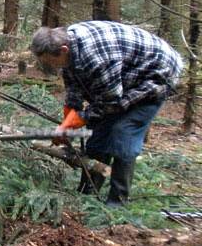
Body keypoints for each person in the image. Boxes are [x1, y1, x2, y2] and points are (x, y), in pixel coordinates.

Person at [30, 21, 184, 207]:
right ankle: (87, 195)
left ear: (63, 50)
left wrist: (79, 120)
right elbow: (73, 84)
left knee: (123, 132)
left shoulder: (96, 58)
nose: (50, 66)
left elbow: (110, 102)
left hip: (156, 74)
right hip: (124, 75)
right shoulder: (69, 48)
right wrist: (67, 121)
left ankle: (117, 203)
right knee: (97, 136)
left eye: (50, 61)